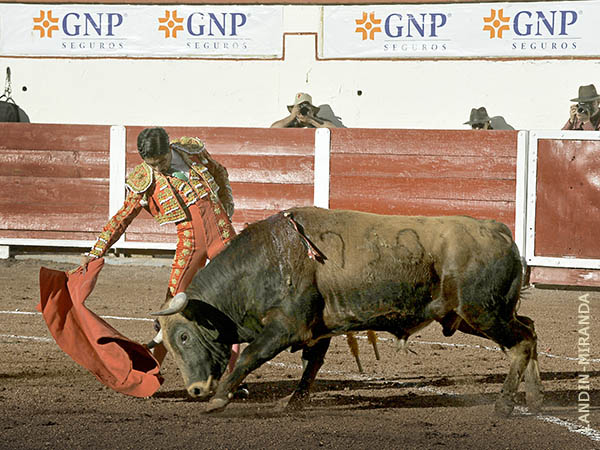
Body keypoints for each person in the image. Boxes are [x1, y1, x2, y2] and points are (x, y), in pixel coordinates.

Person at [79, 128, 240, 372]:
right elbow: (122, 218)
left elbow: (220, 171)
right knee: (170, 309)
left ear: (170, 149)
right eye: (152, 164)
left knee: (237, 301)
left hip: (223, 232)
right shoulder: (144, 179)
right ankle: (151, 373)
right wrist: (96, 251)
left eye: (162, 161)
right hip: (190, 242)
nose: (159, 168)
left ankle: (233, 377)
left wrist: (227, 201)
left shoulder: (190, 151)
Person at [271, 92, 338, 128]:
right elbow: (273, 129)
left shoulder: (319, 122)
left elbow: (333, 130)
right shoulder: (290, 123)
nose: (303, 110)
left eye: (306, 107)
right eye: (299, 107)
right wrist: (291, 117)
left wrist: (311, 120)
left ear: (312, 110)